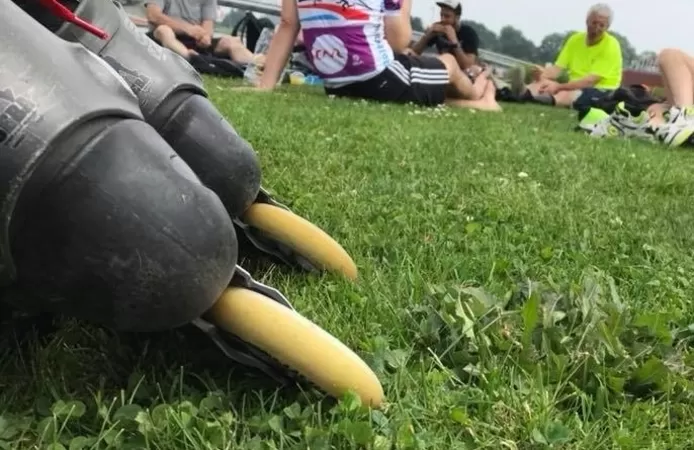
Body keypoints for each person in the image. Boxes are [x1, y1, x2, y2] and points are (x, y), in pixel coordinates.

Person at [256, 0, 501, 111]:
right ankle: (481, 95)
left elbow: (288, 24)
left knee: (427, 80)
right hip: (382, 78)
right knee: (448, 64)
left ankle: (477, 96)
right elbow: (398, 42)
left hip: (336, 85)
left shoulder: (464, 32)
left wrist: (265, 86)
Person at [508, 3, 623, 109]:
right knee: (544, 82)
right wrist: (543, 74)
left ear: (607, 27)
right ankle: (519, 92)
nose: (596, 28)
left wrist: (559, 87)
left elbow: (589, 82)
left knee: (569, 92)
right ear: (587, 21)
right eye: (594, 23)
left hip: (601, 91)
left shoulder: (611, 46)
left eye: (601, 25)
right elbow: (557, 69)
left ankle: (528, 97)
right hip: (575, 85)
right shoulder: (575, 39)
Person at [143, 0, 259, 65]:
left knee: (231, 41)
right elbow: (153, 16)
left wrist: (205, 37)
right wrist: (187, 29)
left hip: (194, 41)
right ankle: (189, 57)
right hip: (163, 37)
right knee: (164, 30)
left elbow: (208, 26)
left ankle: (257, 63)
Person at [408, 0, 479, 72]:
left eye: (447, 16)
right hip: (444, 70)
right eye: (441, 15)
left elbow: (467, 65)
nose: (443, 19)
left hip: (462, 73)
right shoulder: (438, 30)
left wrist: (454, 41)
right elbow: (414, 52)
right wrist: (427, 36)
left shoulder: (468, 33)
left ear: (457, 18)